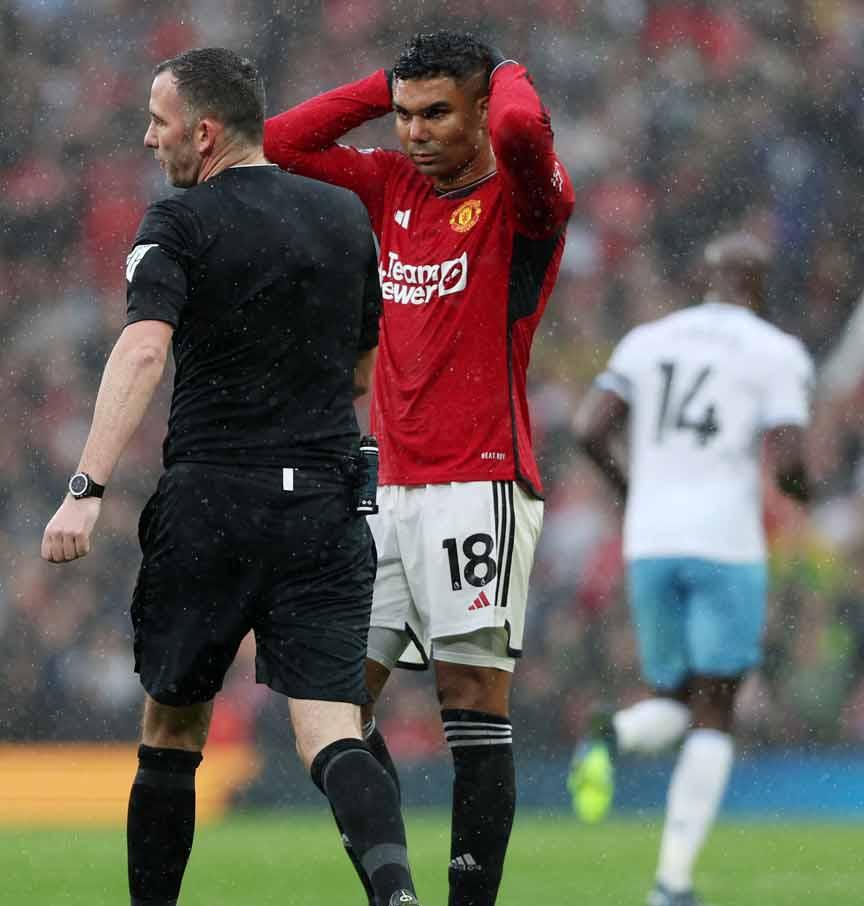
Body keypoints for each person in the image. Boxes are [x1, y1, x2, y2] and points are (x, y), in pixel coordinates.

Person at [42, 47, 419, 906]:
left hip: (213, 500)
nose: (147, 138)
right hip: (323, 505)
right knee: (332, 732)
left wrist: (86, 488)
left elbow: (144, 348)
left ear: (204, 132)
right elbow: (365, 365)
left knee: (173, 727)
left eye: (158, 121)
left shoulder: (178, 223)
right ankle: (395, 894)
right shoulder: (340, 219)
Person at [264, 31, 573, 906]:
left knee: (471, 699)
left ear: (480, 108)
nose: (413, 133)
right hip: (384, 490)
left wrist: (509, 70)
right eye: (402, 115)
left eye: (437, 112)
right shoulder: (394, 185)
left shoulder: (524, 203)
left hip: (480, 482)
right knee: (331, 707)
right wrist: (381, 83)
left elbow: (519, 135)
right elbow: (284, 141)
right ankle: (392, 892)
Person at [569, 232, 813, 906]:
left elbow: (589, 428)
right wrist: (803, 495)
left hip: (651, 541)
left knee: (674, 700)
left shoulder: (649, 340)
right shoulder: (775, 352)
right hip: (726, 543)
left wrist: (634, 492)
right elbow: (789, 461)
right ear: (760, 288)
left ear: (705, 279)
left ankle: (611, 732)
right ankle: (672, 883)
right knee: (715, 712)